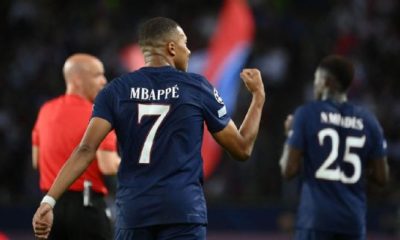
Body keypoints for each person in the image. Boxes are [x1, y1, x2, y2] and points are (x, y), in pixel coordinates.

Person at [32, 17, 265, 240]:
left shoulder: (116, 91)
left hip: (134, 211)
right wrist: (258, 98)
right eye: (185, 44)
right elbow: (242, 148)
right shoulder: (197, 87)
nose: (189, 51)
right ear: (172, 48)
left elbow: (85, 150)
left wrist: (48, 201)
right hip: (182, 211)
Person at [279, 55, 389, 240]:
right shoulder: (369, 121)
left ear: (327, 82)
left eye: (317, 80)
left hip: (316, 220)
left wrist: (290, 134)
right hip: (352, 221)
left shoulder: (306, 114)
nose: (315, 85)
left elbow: (288, 170)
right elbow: (381, 177)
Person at [32, 53, 121, 240]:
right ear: (78, 80)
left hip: (49, 207)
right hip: (86, 209)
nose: (104, 81)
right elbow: (108, 165)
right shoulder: (98, 115)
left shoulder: (46, 110)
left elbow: (36, 161)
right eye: (97, 75)